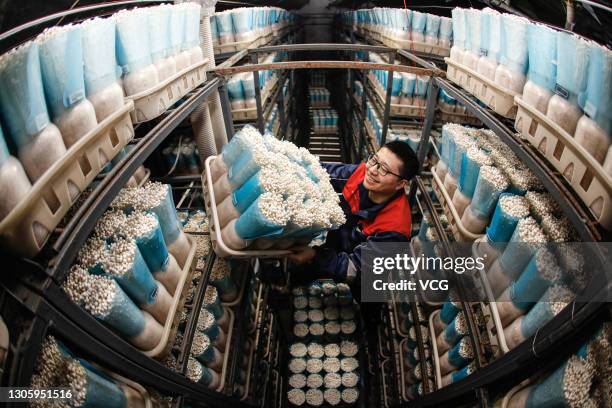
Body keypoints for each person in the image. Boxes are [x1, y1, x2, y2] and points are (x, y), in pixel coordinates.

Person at [288, 140, 419, 294]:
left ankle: (369, 316)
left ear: (400, 184)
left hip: (367, 275)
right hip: (339, 245)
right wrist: (292, 163)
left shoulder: (394, 228)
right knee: (301, 270)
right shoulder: (362, 174)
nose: (372, 170)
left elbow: (356, 270)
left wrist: (314, 256)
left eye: (384, 169)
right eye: (374, 160)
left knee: (365, 298)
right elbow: (320, 172)